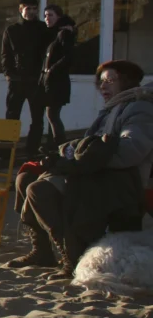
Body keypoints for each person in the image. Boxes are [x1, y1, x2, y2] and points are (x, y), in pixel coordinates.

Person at [11, 60, 153, 275]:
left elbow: (130, 151)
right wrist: (67, 153)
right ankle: (41, 251)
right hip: (96, 172)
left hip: (119, 179)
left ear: (127, 82)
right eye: (101, 82)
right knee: (27, 176)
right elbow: (91, 144)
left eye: (110, 81)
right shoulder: (112, 108)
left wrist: (78, 161)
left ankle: (72, 256)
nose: (103, 86)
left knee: (39, 190)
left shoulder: (139, 108)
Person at [2, 0, 52, 158]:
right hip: (17, 80)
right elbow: (6, 55)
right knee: (11, 117)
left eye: (34, 9)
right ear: (20, 9)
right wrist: (9, 74)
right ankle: (6, 152)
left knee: (37, 118)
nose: (31, 12)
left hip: (36, 80)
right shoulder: (12, 30)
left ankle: (32, 150)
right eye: (27, 9)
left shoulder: (43, 29)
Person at [40, 5, 75, 152]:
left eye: (51, 15)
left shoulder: (64, 34)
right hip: (51, 80)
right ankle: (55, 145)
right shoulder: (57, 33)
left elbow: (69, 56)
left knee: (52, 114)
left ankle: (60, 146)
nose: (47, 18)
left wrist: (52, 70)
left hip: (57, 82)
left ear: (58, 17)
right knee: (51, 115)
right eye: (46, 15)